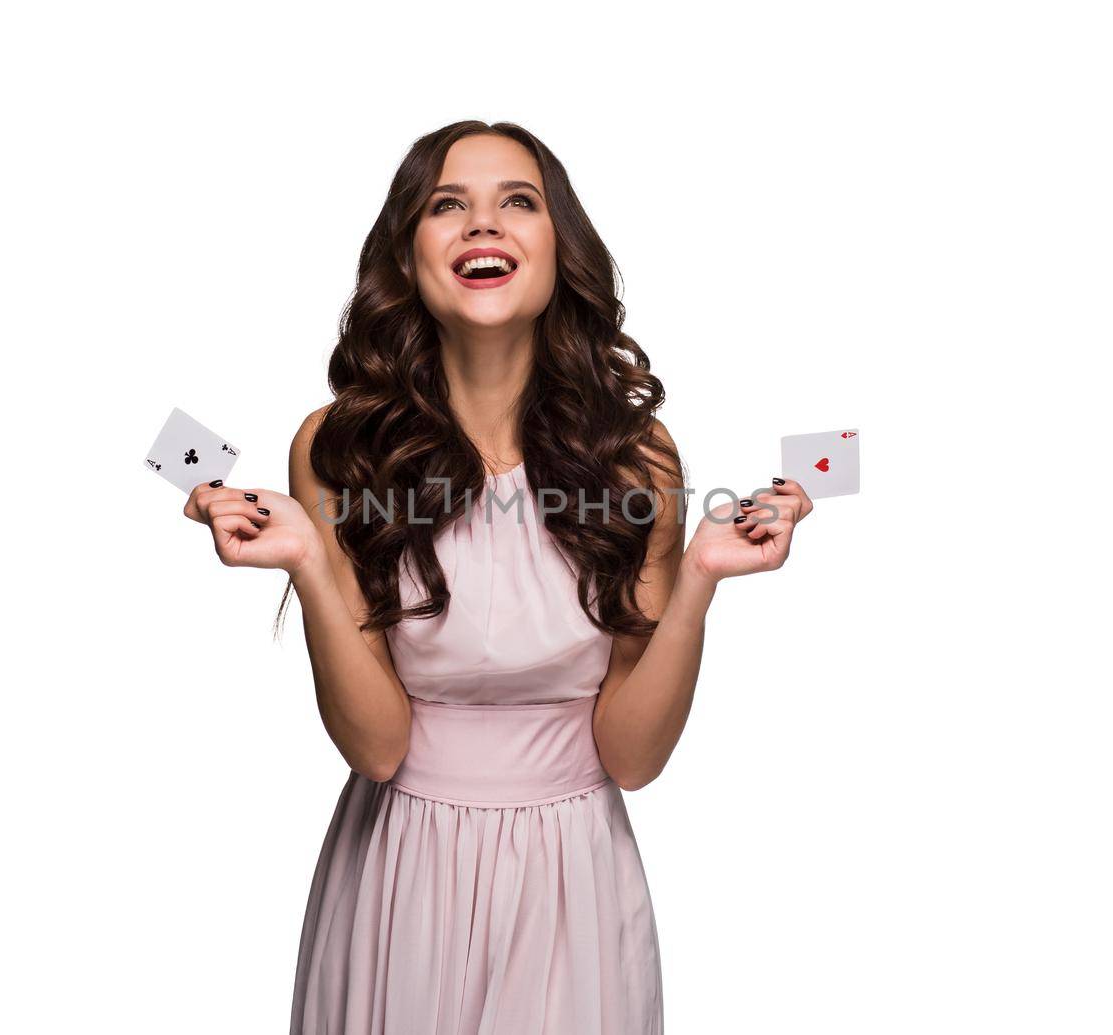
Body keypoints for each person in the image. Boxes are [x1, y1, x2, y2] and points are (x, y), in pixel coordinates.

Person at [183, 120, 813, 1034]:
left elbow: (633, 757)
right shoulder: (337, 447)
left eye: (518, 202)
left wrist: (702, 580)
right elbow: (378, 747)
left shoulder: (635, 455)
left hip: (575, 883)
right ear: (408, 254)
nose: (485, 225)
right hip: (399, 876)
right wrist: (312, 563)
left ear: (562, 247)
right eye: (449, 205)